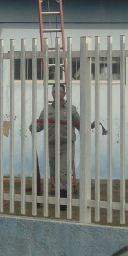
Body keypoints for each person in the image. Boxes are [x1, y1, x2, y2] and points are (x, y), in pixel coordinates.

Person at [29, 83, 94, 211]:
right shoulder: (47, 110)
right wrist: (34, 127)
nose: (56, 94)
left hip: (66, 145)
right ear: (52, 94)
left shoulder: (71, 109)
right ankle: (60, 195)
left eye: (59, 92)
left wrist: (89, 126)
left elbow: (79, 124)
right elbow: (40, 125)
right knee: (54, 172)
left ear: (64, 94)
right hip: (52, 145)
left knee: (63, 172)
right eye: (54, 92)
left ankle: (63, 203)